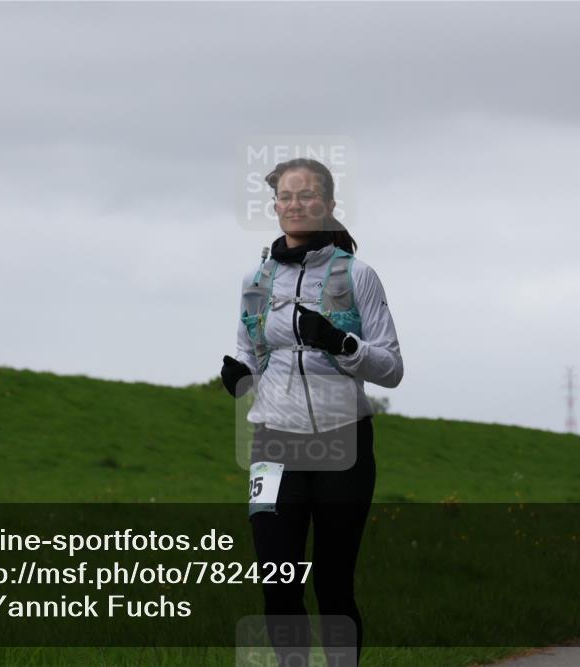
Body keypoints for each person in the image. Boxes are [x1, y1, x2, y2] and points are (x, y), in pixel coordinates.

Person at [220, 158, 403, 666]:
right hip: (274, 442)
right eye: (286, 197)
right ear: (275, 205)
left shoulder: (358, 276)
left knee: (332, 585)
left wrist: (341, 343)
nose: (295, 205)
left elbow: (391, 368)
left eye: (307, 196)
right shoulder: (255, 280)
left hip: (344, 441)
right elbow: (249, 351)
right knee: (277, 583)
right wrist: (238, 377)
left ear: (328, 204)